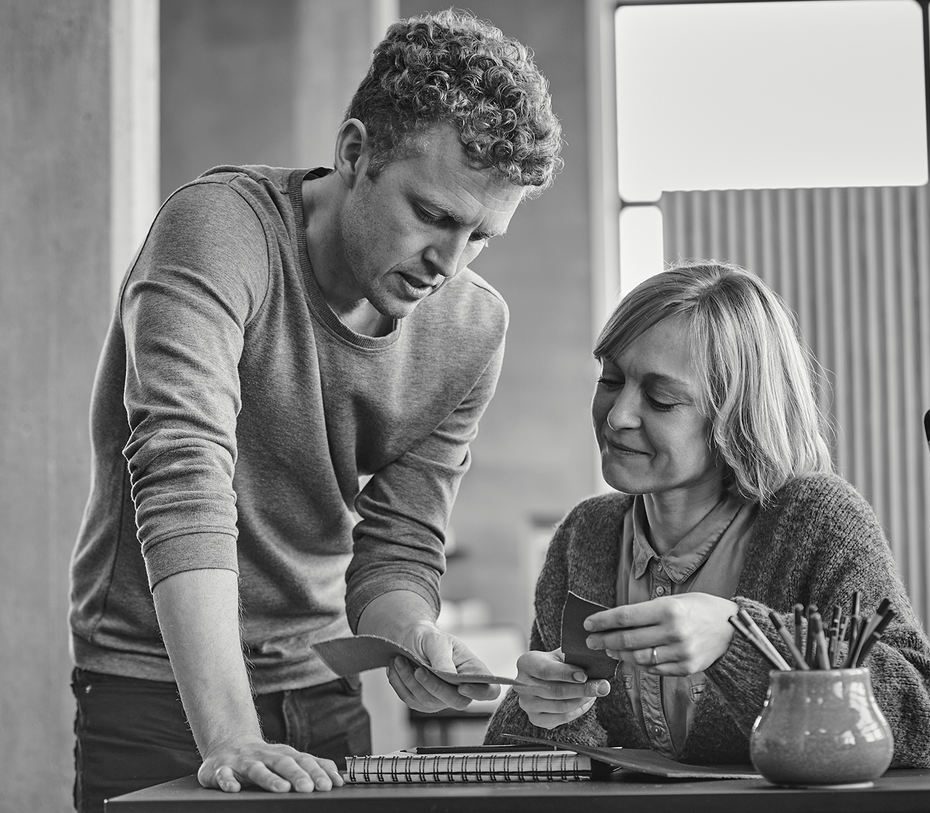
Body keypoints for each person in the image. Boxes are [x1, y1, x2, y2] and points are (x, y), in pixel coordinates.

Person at [68, 9, 563, 807]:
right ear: (354, 151)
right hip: (155, 684)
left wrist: (410, 636)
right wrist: (230, 733)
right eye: (432, 215)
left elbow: (400, 540)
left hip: (319, 686)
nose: (448, 263)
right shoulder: (220, 230)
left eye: (480, 237)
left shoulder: (474, 326)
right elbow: (181, 470)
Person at [484, 261, 930, 768]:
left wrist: (741, 637)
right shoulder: (586, 534)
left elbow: (926, 721)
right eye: (610, 379)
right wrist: (545, 708)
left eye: (662, 400)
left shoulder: (817, 521)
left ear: (739, 415)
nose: (618, 416)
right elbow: (526, 763)